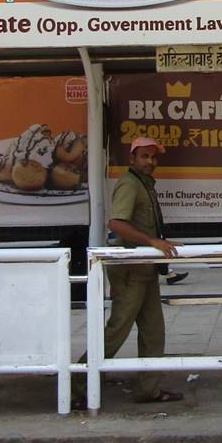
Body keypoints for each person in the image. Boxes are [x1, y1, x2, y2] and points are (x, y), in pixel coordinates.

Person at [74, 136, 183, 408]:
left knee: (153, 332)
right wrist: (152, 242)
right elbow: (117, 223)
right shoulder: (129, 184)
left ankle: (149, 389)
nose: (150, 161)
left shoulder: (144, 184)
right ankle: (76, 387)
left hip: (146, 269)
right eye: (145, 156)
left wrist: (157, 243)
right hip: (132, 272)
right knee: (117, 331)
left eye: (153, 157)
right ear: (132, 158)